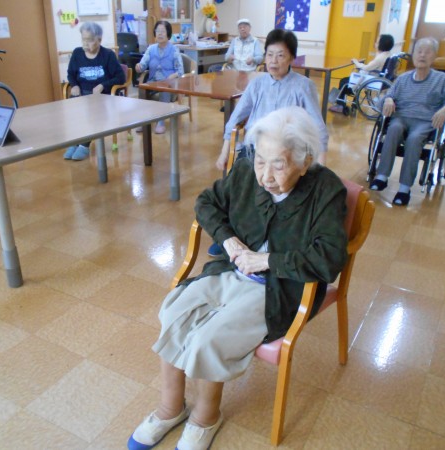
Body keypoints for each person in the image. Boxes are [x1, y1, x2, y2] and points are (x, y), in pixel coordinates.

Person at [126, 106, 348, 450]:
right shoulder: (246, 169)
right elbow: (207, 203)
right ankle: (170, 408)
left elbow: (329, 258)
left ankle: (205, 417)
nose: (265, 176)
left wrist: (266, 260)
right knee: (175, 311)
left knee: (209, 337)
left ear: (305, 162)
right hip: (231, 270)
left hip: (281, 288)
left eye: (279, 164)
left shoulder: (326, 190)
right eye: (260, 161)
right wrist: (228, 239)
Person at [210, 28, 329, 257]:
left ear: (292, 58)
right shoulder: (257, 84)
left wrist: (321, 166)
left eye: (280, 55)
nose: (273, 61)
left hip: (285, 152)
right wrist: (225, 151)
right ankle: (227, 234)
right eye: (270, 54)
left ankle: (261, 237)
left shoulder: (303, 86)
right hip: (254, 149)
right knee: (236, 187)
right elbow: (235, 119)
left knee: (273, 187)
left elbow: (318, 128)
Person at [369, 37, 445, 206]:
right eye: (419, 51)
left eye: (427, 52)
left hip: (425, 122)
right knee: (393, 129)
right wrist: (388, 99)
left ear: (434, 56)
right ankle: (382, 176)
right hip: (401, 117)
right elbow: (384, 98)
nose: (422, 55)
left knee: (414, 139)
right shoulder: (403, 79)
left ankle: (404, 188)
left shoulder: (442, 80)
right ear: (413, 55)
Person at [63, 22, 126, 161]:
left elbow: (121, 77)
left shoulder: (107, 55)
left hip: (101, 96)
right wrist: (74, 85)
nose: (86, 44)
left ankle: (84, 145)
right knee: (72, 110)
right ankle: (75, 142)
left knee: (90, 111)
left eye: (90, 40)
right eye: (83, 40)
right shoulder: (77, 53)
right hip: (81, 93)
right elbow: (70, 74)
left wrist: (103, 85)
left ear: (99, 40)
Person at [135, 20, 184, 134]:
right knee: (142, 89)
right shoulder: (151, 49)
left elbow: (180, 71)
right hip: (152, 82)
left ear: (168, 34)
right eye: (157, 31)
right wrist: (139, 67)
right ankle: (143, 121)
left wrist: (172, 76)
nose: (160, 34)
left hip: (169, 83)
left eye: (163, 31)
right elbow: (143, 64)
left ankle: (161, 121)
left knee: (164, 89)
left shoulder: (174, 50)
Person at [329, 34, 394, 113]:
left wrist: (356, 62)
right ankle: (353, 103)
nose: (375, 44)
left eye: (377, 42)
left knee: (343, 81)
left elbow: (366, 68)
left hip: (372, 79)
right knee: (348, 81)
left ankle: (340, 105)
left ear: (382, 44)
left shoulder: (380, 58)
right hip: (378, 78)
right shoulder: (389, 55)